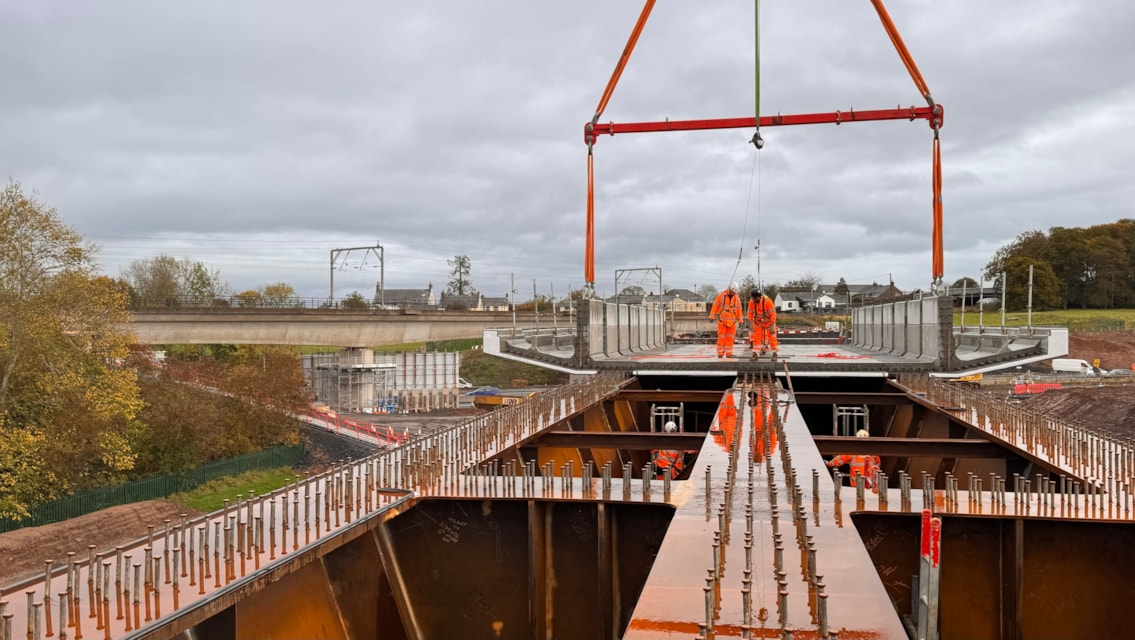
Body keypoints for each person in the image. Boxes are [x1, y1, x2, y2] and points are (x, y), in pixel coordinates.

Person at [709, 282, 743, 358]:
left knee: (730, 338)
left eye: (734, 292)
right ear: (729, 289)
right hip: (722, 322)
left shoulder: (737, 299)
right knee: (721, 338)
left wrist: (740, 321)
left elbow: (739, 310)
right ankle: (720, 353)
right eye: (732, 291)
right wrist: (712, 316)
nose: (733, 293)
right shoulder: (721, 296)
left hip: (732, 323)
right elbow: (715, 306)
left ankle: (729, 353)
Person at [747, 287, 779, 359]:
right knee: (756, 338)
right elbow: (750, 314)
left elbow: (773, 315)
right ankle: (756, 353)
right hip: (758, 323)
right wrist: (750, 324)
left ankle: (774, 353)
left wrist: (771, 327)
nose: (752, 300)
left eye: (753, 298)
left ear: (758, 297)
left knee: (772, 338)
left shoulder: (768, 302)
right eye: (752, 298)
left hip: (769, 323)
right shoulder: (752, 302)